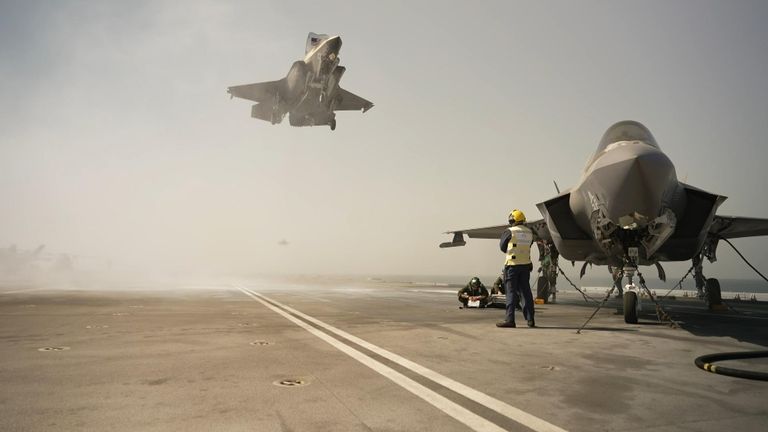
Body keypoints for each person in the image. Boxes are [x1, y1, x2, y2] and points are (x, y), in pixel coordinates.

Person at [496, 209, 536, 328]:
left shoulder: (509, 231)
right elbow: (529, 245)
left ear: (512, 220)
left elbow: (503, 247)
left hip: (512, 266)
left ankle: (510, 320)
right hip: (525, 266)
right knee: (526, 292)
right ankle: (530, 319)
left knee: (511, 292)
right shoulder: (530, 232)